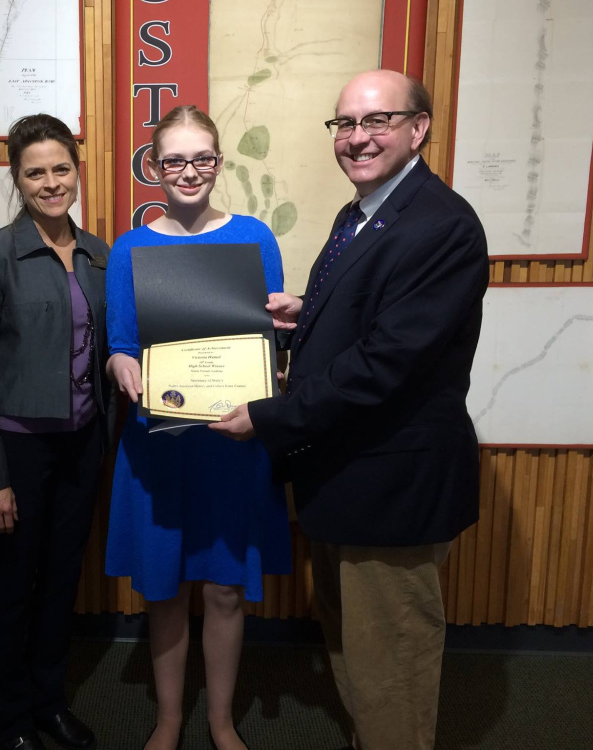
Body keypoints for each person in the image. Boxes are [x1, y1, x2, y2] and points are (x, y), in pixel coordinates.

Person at [211, 70, 490, 750]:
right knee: (354, 655)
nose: (356, 138)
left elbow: (387, 365)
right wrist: (307, 315)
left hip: (393, 489)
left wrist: (269, 416)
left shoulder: (441, 224)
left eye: (376, 121)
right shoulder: (364, 210)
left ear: (418, 127)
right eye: (344, 124)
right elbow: (383, 320)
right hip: (345, 477)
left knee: (390, 666)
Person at [105, 105, 292, 750]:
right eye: (174, 160)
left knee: (223, 589)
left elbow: (270, 342)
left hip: (233, 441)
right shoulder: (131, 247)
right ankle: (166, 719)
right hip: (158, 444)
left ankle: (220, 722)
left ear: (219, 163)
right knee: (163, 589)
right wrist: (119, 359)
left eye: (203, 159)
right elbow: (122, 341)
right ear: (154, 168)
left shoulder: (255, 238)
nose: (189, 172)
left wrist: (279, 355)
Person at [0, 113, 114, 750]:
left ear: (76, 170)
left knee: (61, 582)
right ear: (18, 180)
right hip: (19, 447)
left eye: (60, 168)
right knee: (14, 587)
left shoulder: (101, 254)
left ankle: (49, 704)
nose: (51, 183)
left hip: (83, 443)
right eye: (35, 173)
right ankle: (8, 721)